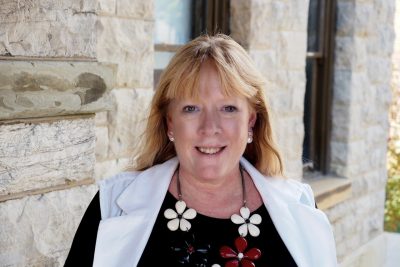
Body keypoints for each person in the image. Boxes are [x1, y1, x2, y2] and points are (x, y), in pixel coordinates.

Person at [65, 34, 337, 267]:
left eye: (228, 108)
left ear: (251, 120)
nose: (210, 128)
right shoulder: (113, 206)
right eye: (191, 108)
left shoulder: (300, 209)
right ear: (170, 121)